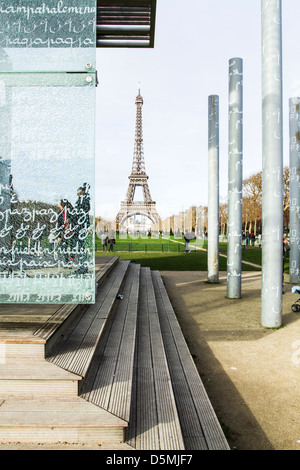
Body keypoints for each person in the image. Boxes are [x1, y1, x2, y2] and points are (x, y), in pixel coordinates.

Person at [73, 183, 91, 274]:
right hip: (80, 225)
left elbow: (85, 211)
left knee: (80, 247)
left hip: (81, 225)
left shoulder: (84, 200)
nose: (77, 193)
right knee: (80, 247)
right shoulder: (83, 199)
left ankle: (83, 266)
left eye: (78, 191)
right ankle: (83, 265)